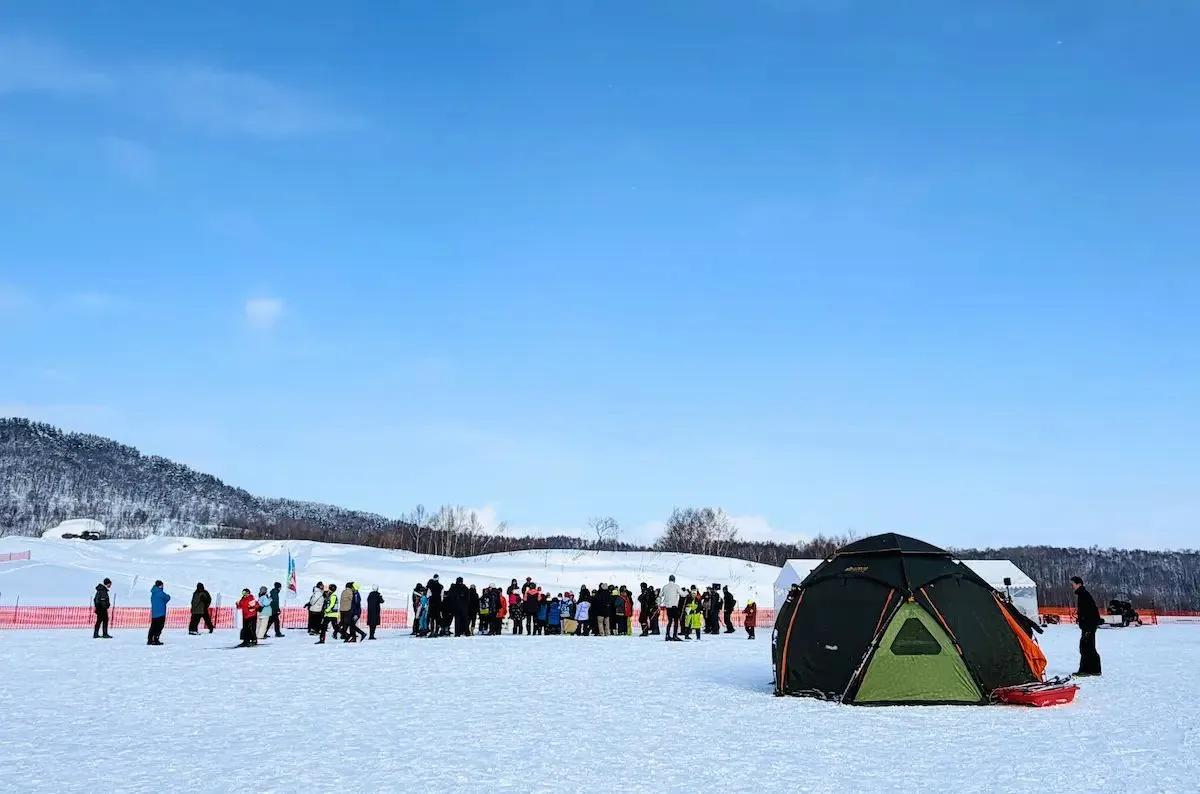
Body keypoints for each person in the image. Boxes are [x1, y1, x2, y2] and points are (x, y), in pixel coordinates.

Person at [1072, 576, 1103, 676]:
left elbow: (1090, 611)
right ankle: (1094, 669)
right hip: (1089, 625)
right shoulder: (1083, 594)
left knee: (1086, 647)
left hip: (1088, 626)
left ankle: (1086, 670)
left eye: (1073, 584)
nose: (1072, 586)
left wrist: (1087, 624)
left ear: (1078, 584)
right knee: (1089, 647)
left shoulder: (1083, 595)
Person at [148, 580, 170, 645]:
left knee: (153, 627)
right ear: (160, 585)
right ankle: (156, 639)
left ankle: (150, 639)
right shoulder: (160, 593)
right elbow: (167, 597)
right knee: (159, 627)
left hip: (154, 613)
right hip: (161, 613)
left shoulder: (153, 593)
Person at [660, 575, 682, 642]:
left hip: (668, 607)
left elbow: (660, 595)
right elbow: (682, 594)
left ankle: (667, 635)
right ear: (674, 580)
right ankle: (675, 636)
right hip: (674, 607)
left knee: (669, 621)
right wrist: (686, 592)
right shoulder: (676, 586)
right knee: (675, 621)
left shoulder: (665, 587)